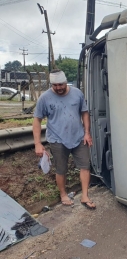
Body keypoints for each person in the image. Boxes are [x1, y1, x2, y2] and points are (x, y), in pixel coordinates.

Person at [33, 69, 96, 209]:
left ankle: (85, 195)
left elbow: (84, 113)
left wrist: (87, 133)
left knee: (85, 166)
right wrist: (37, 143)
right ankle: (63, 194)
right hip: (57, 139)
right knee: (61, 169)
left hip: (79, 137)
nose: (58, 88)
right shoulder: (44, 98)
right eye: (55, 85)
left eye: (61, 84)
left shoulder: (77, 93)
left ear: (66, 81)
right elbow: (37, 120)